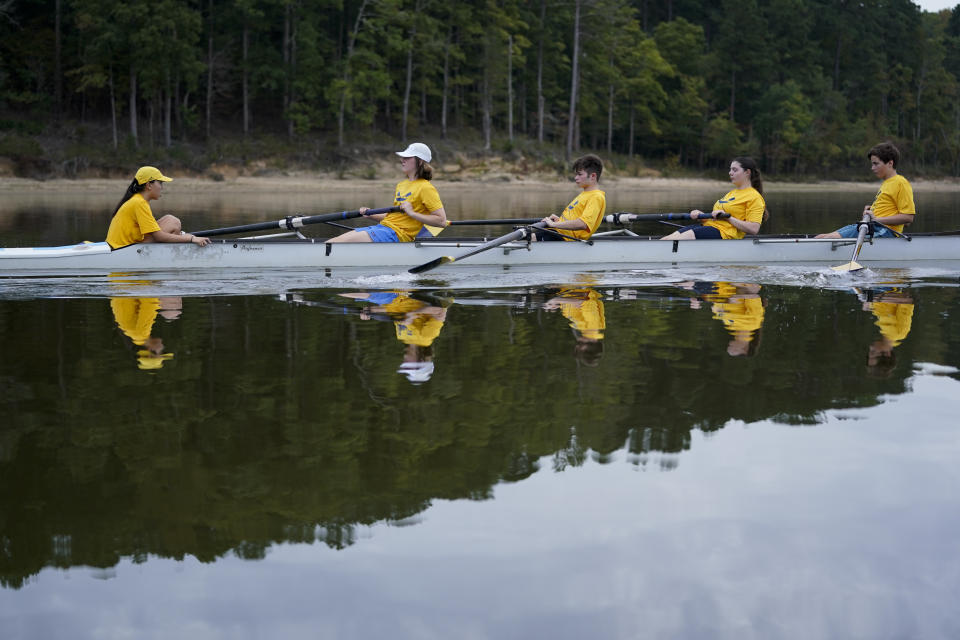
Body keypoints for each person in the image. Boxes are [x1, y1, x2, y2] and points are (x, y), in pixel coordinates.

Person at [326, 143, 447, 243]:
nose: (402, 160)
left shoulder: (426, 188)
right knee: (332, 242)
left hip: (398, 234)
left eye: (407, 157)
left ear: (420, 162)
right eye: (402, 157)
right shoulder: (402, 185)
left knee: (333, 244)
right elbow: (393, 217)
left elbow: (441, 221)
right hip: (383, 229)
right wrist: (370, 214)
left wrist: (411, 213)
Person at [815, 142, 915, 239]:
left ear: (890, 163)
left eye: (876, 164)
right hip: (870, 226)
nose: (872, 168)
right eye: (872, 164)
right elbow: (895, 215)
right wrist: (872, 211)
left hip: (884, 231)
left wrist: (876, 219)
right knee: (822, 237)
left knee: (831, 238)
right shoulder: (886, 183)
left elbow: (908, 218)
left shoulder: (901, 183)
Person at [661, 157, 766, 240]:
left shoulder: (755, 197)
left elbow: (754, 229)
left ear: (747, 172)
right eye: (730, 170)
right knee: (666, 239)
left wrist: (728, 218)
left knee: (674, 241)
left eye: (735, 170)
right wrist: (701, 216)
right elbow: (717, 218)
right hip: (709, 227)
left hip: (725, 234)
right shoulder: (731, 193)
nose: (730, 173)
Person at [105, 166, 211, 249]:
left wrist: (182, 236)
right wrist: (191, 239)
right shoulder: (139, 203)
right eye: (160, 182)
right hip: (122, 248)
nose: (162, 187)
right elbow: (158, 236)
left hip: (120, 244)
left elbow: (152, 232)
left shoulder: (136, 199)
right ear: (149, 185)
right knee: (174, 222)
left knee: (170, 219)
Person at [533, 154, 606, 241]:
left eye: (579, 174)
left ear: (593, 176)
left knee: (526, 238)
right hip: (557, 233)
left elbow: (582, 224)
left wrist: (553, 224)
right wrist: (559, 221)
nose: (576, 178)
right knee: (522, 233)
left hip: (565, 238)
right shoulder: (585, 194)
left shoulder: (596, 197)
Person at [543, 286, 605, 366]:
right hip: (574, 282)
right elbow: (583, 298)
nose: (577, 341)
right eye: (580, 343)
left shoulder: (584, 329)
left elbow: (573, 304)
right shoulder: (593, 326)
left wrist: (555, 305)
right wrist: (556, 300)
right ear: (593, 342)